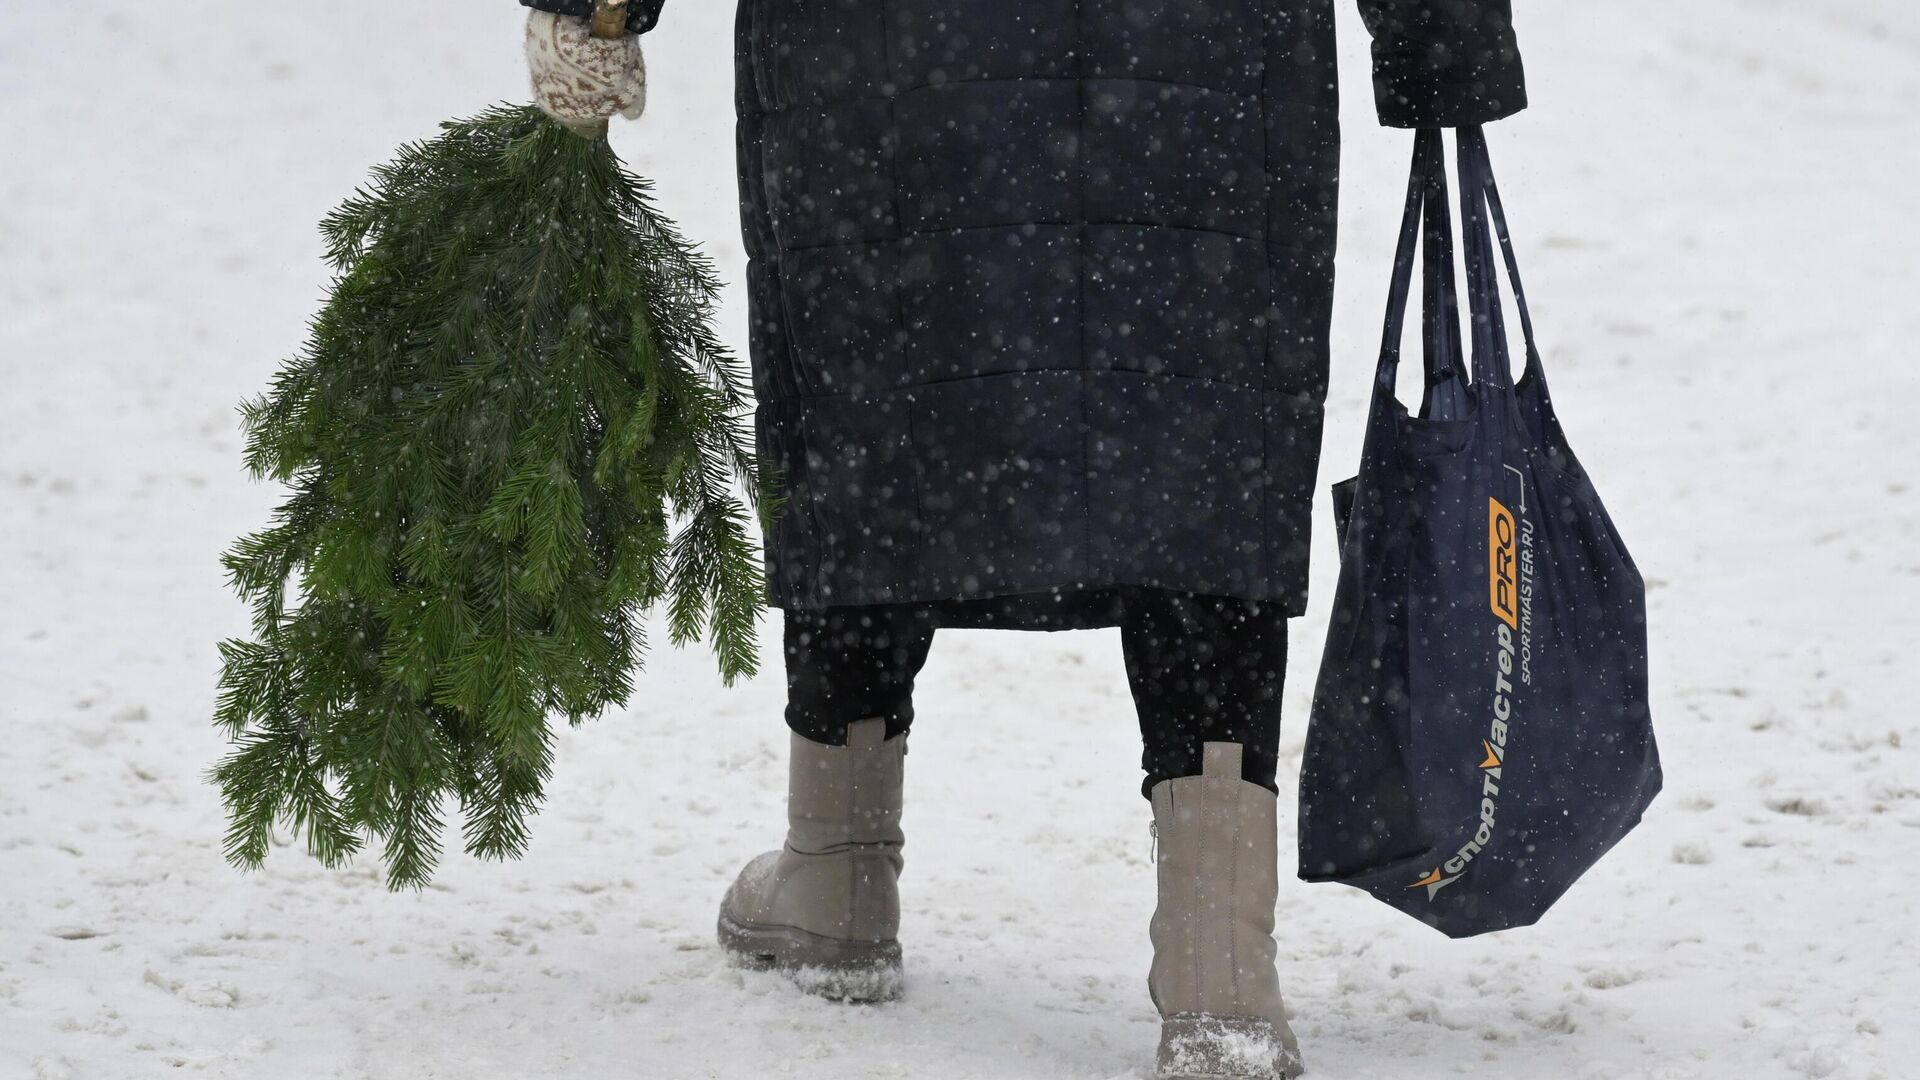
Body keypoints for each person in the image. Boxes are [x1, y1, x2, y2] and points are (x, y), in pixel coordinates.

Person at [520, 3, 1525, 1076]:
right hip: (1198, 54)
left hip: (883, 49)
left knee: (877, 399)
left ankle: (839, 868)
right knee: (1196, 438)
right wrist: (1440, 30)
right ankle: (1218, 963)